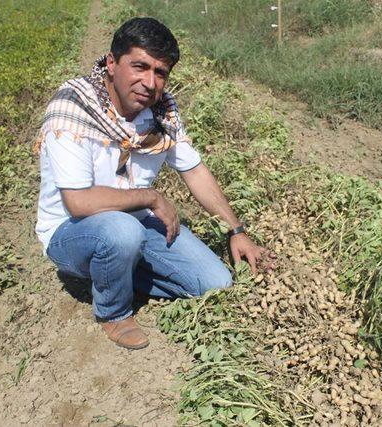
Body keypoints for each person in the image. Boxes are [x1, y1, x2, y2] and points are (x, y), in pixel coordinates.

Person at [35, 17, 271, 350]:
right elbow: (79, 202)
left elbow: (194, 170)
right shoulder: (73, 107)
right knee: (120, 232)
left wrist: (236, 231)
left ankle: (118, 267)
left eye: (160, 73)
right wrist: (150, 197)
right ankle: (113, 312)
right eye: (140, 67)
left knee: (215, 282)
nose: (150, 82)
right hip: (71, 232)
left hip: (132, 224)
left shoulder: (161, 113)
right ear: (112, 63)